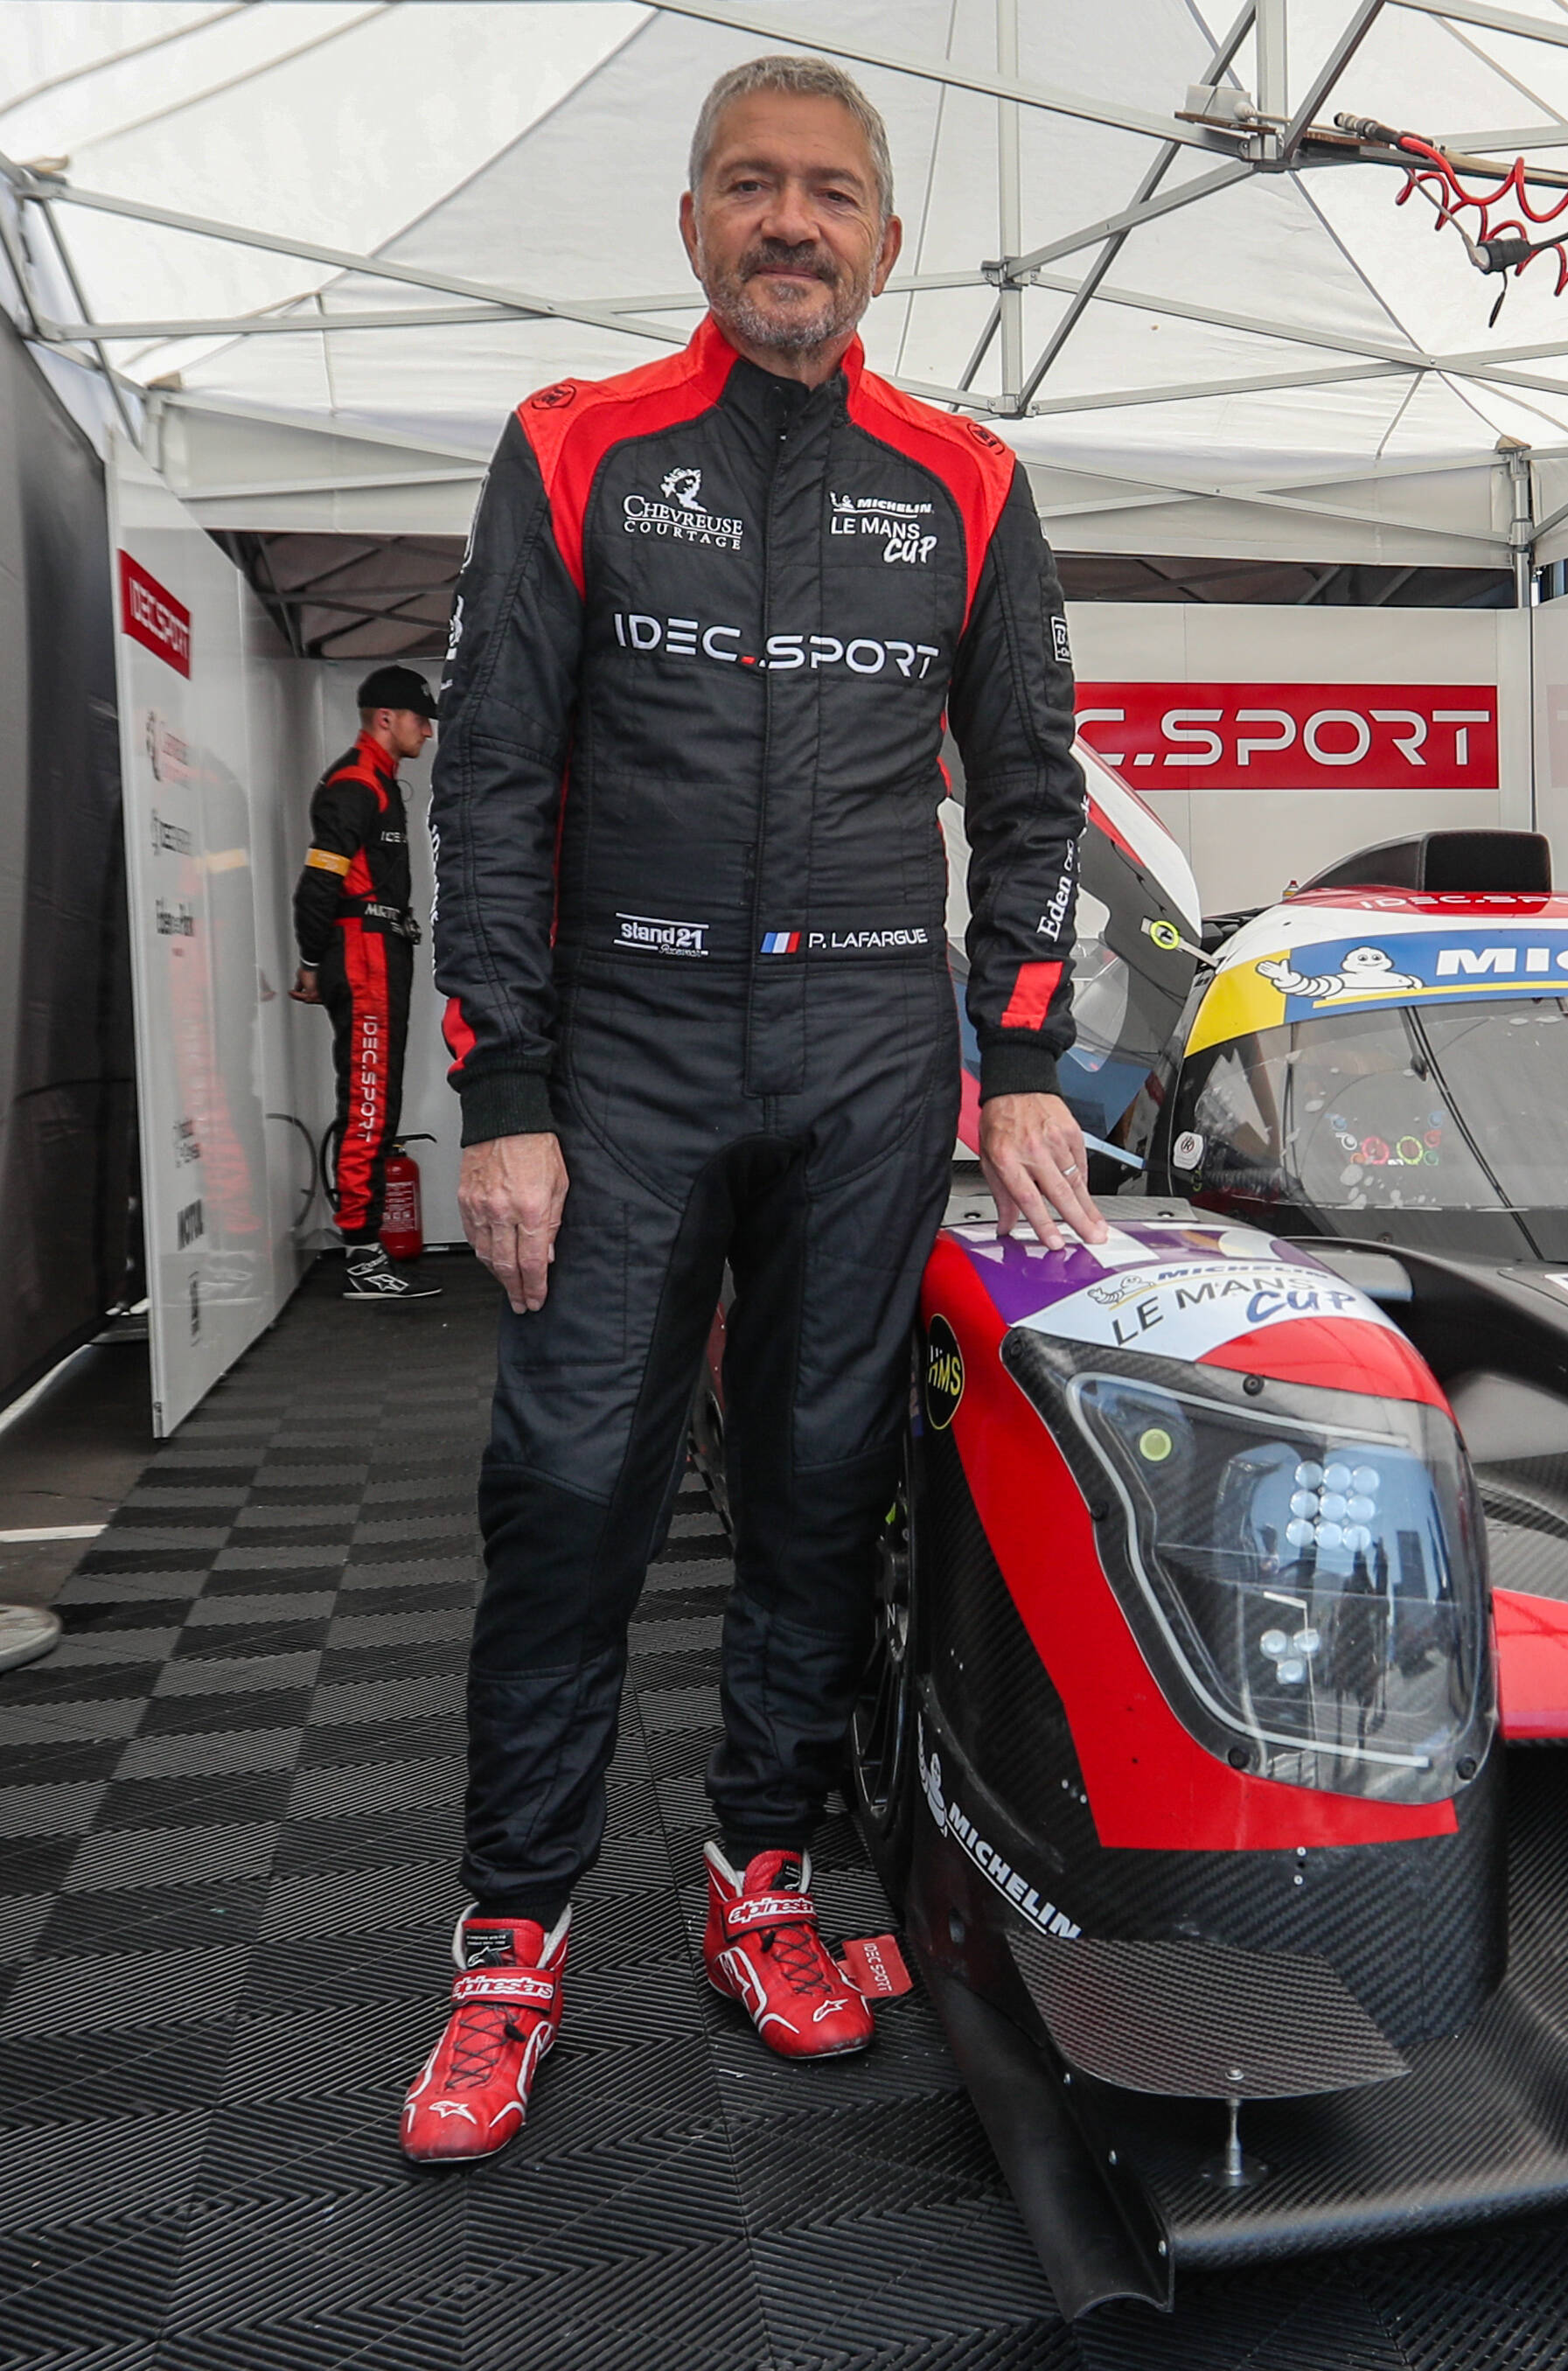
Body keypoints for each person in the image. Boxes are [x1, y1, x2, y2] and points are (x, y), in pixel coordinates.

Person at [396, 53, 1108, 2165]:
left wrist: (1021, 1058)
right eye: (748, 185)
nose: (789, 221)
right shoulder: (575, 443)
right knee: (567, 1489)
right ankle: (508, 1943)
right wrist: (501, 1085)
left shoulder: (965, 477)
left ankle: (761, 1878)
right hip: (624, 1047)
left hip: (870, 1056)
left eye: (827, 192)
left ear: (885, 238)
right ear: (694, 222)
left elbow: (1032, 790)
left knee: (817, 1486)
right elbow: (491, 777)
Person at [289, 665, 444, 1302]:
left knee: (377, 1098)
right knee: (369, 1099)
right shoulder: (355, 783)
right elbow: (318, 882)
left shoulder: (377, 781)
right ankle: (362, 1253)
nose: (427, 731)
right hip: (363, 955)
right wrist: (311, 959)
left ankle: (367, 1246)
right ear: (386, 717)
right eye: (420, 719)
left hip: (378, 948)